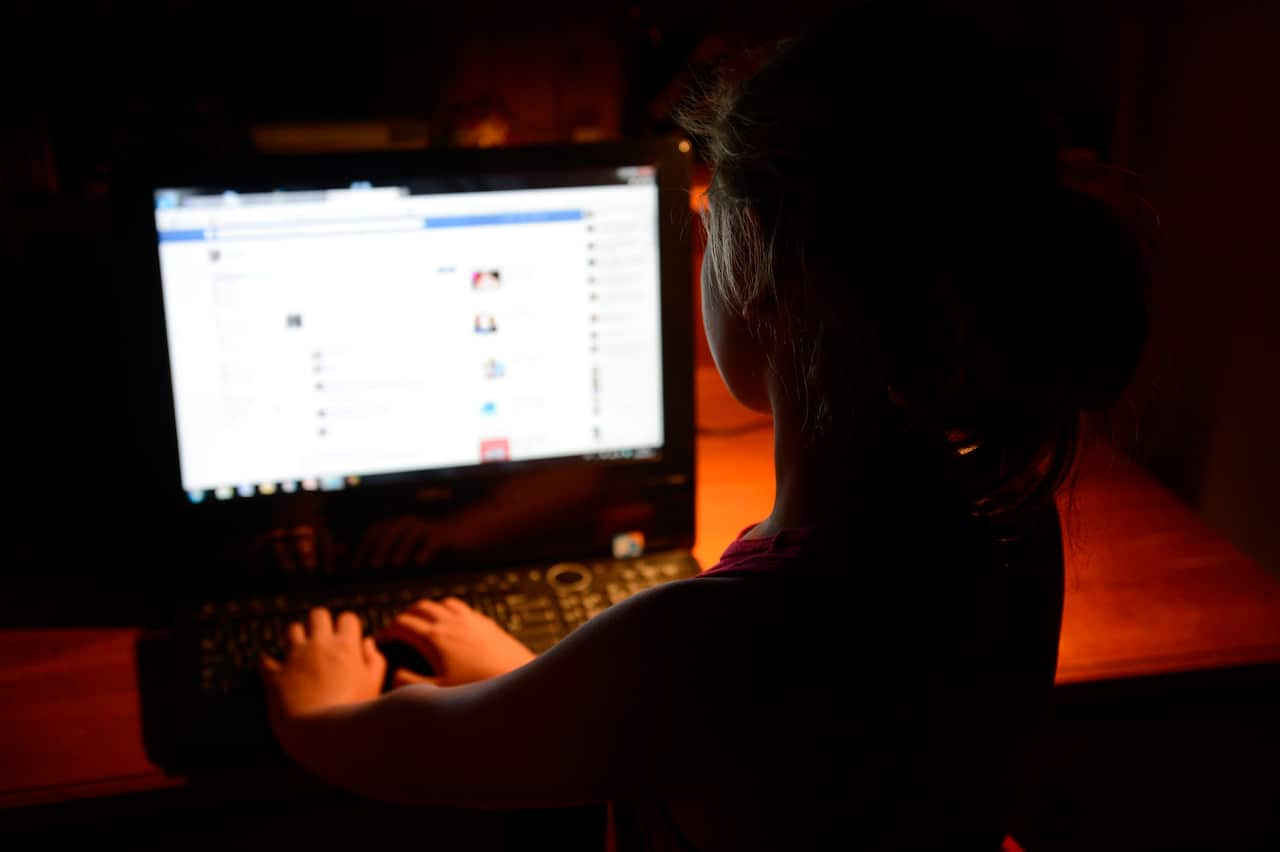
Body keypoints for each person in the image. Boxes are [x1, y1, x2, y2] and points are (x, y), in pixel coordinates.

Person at [259, 4, 1147, 849]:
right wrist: (543, 679)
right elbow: (735, 747)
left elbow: (419, 755)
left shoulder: (707, 649)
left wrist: (315, 718)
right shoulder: (1007, 521)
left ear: (755, 252)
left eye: (708, 218)